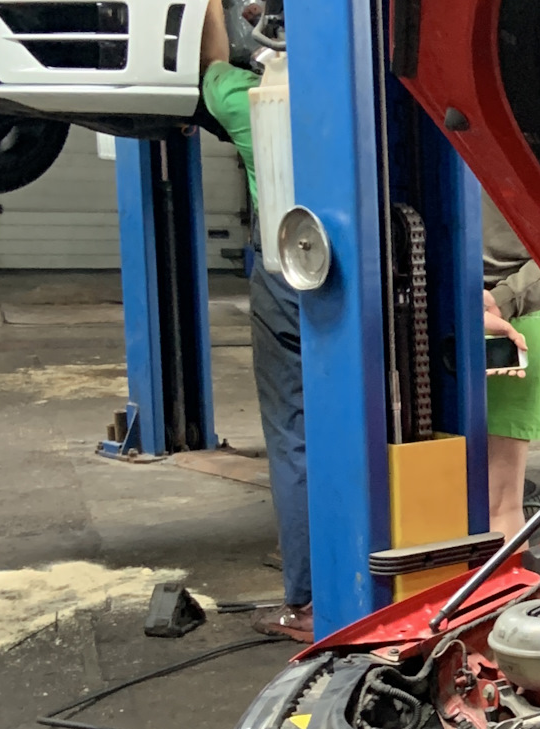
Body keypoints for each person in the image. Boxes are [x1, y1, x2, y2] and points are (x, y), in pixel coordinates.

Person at [200, 5, 313, 641]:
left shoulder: (248, 100)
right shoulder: (371, 95)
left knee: (293, 433)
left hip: (284, 269)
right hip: (372, 273)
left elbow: (211, 65)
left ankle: (309, 601)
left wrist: (210, 9)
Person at [478, 194, 540, 536]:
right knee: (498, 506)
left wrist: (503, 300)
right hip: (500, 308)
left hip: (503, 316)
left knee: (497, 505)